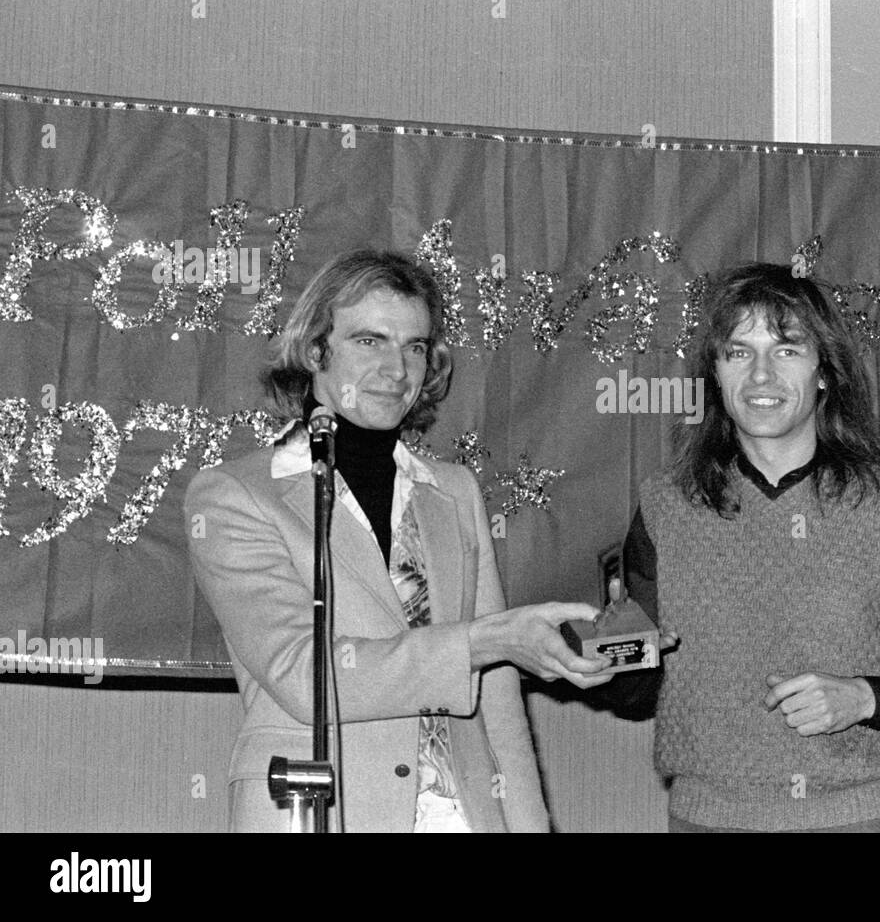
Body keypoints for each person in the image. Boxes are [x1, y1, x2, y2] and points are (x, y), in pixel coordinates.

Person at [186, 249, 612, 833]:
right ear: (315, 350)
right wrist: (487, 641)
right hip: (317, 812)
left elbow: (500, 706)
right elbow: (302, 673)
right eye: (370, 341)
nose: (397, 369)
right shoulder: (234, 496)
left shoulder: (454, 490)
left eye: (414, 346)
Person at [594, 262, 880, 832]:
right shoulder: (666, 509)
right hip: (703, 822)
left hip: (852, 821)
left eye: (786, 351)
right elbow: (633, 691)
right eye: (738, 352)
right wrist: (601, 658)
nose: (761, 376)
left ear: (824, 372)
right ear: (715, 372)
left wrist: (865, 699)